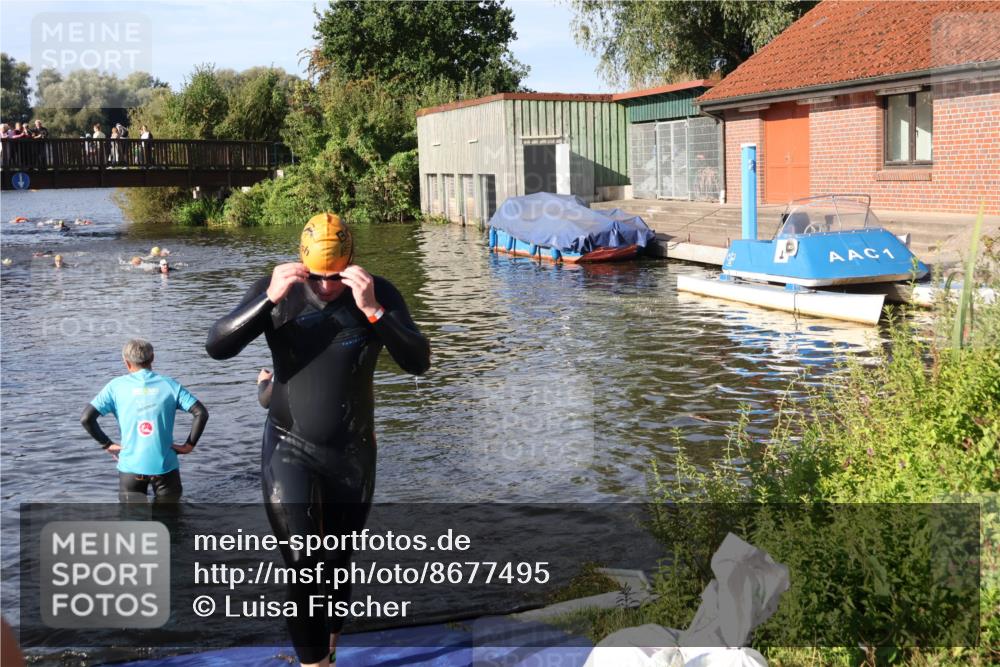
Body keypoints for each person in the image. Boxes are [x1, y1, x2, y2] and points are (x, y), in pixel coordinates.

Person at [206, 213, 430, 667]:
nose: (328, 287)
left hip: (353, 452)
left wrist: (373, 310)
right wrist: (267, 301)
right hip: (288, 447)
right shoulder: (278, 290)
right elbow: (217, 345)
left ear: (351, 261)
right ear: (302, 262)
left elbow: (418, 361)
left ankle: (329, 646)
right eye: (320, 277)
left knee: (336, 561)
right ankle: (314, 664)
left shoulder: (377, 291)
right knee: (306, 564)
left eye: (336, 277)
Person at [81, 339, 209, 503]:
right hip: (165, 467)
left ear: (127, 363)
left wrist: (107, 444)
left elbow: (86, 419)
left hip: (130, 468)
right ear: (152, 358)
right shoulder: (170, 385)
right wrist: (188, 446)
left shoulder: (115, 387)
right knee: (171, 523)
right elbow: (201, 413)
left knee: (132, 523)